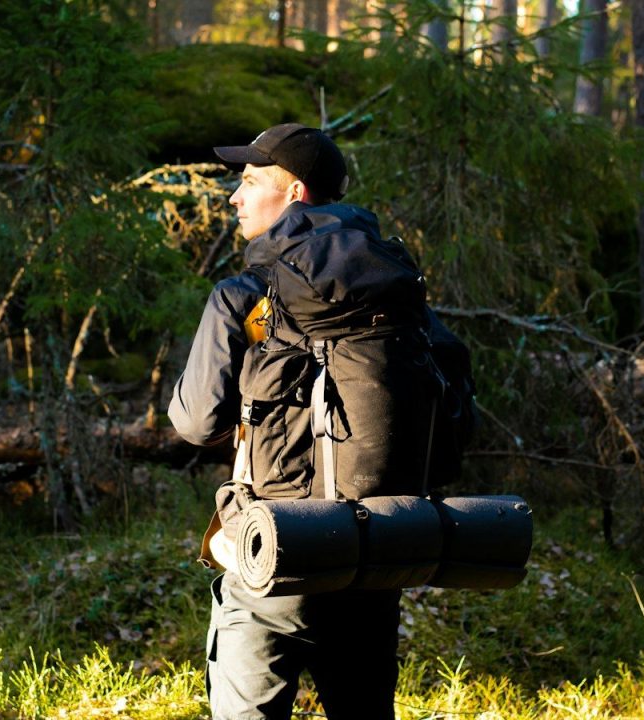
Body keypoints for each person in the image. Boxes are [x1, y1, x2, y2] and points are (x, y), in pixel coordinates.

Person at [168, 124, 470, 720]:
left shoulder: (243, 297)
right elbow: (457, 423)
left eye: (251, 182)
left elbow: (197, 423)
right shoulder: (403, 301)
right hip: (377, 552)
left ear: (296, 193)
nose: (235, 197)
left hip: (273, 556)